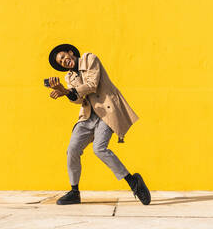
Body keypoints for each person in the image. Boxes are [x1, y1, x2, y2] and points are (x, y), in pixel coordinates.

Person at [47, 43, 151, 205]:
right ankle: (74, 192)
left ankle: (133, 182)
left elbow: (92, 85)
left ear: (70, 52)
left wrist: (66, 91)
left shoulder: (89, 58)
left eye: (63, 57)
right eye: (60, 63)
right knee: (72, 150)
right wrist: (64, 93)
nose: (64, 62)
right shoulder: (69, 77)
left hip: (106, 112)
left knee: (99, 148)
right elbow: (79, 100)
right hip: (87, 116)